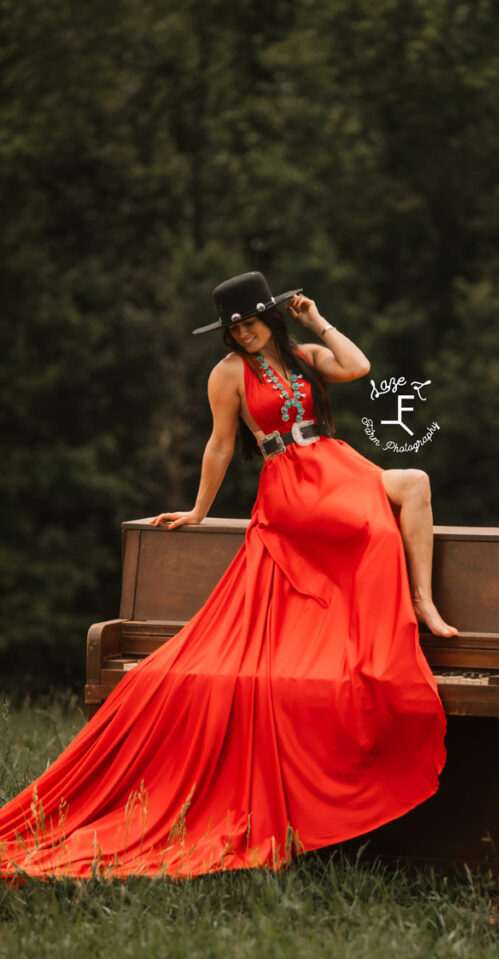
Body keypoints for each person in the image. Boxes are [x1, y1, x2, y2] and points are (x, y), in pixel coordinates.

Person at [0, 272, 456, 881]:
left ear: (273, 317)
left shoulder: (306, 356)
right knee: (373, 530)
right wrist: (198, 510)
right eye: (234, 328)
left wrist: (316, 318)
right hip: (291, 485)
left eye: (251, 322)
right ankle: (380, 633)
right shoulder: (226, 376)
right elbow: (219, 446)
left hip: (338, 464)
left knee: (416, 483)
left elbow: (360, 366)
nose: (243, 334)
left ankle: (422, 602)